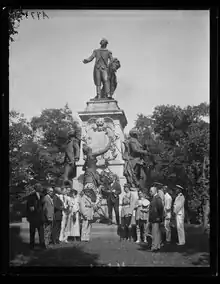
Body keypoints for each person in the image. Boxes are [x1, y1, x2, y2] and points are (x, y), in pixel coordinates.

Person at [26, 183, 45, 250]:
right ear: (36, 188)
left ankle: (42, 245)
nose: (41, 188)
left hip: (40, 217)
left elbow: (43, 206)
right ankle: (31, 246)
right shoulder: (31, 196)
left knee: (41, 232)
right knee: (32, 232)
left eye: (41, 186)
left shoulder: (42, 196)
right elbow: (31, 208)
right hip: (33, 218)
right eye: (40, 187)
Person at [149, 186, 164, 252]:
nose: (150, 192)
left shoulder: (157, 198)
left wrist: (159, 217)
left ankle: (154, 246)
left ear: (155, 191)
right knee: (156, 233)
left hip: (156, 218)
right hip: (154, 218)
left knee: (155, 233)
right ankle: (157, 246)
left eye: (151, 191)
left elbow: (160, 208)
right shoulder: (154, 198)